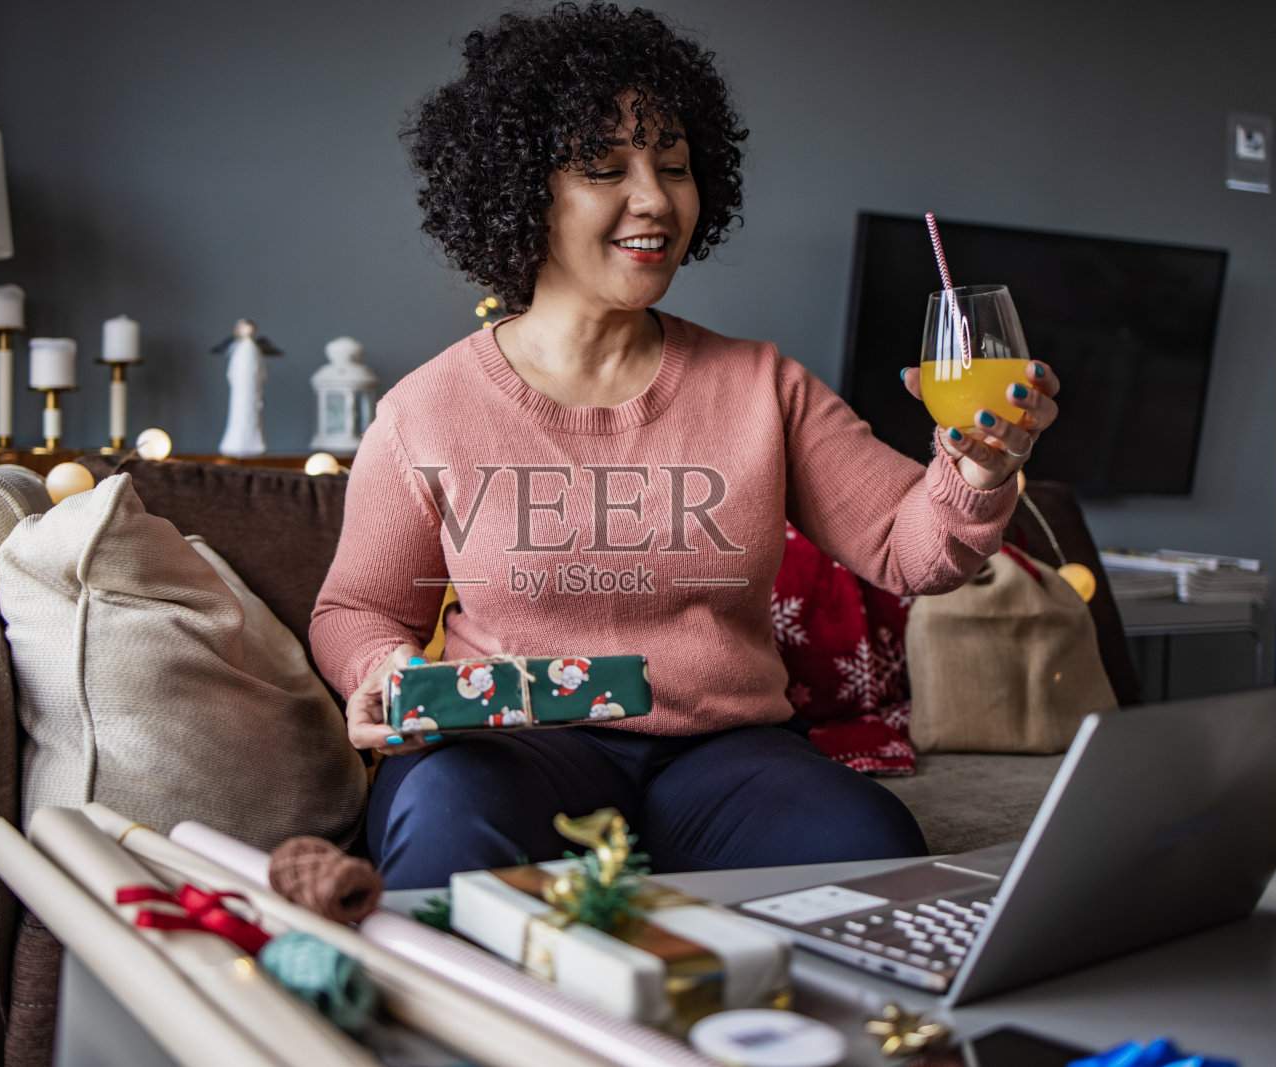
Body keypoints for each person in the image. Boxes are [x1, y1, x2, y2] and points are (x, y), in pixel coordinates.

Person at [309, 2, 1060, 890]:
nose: (657, 199)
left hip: (723, 757)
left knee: (872, 847)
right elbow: (356, 610)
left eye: (674, 166)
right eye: (604, 169)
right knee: (444, 830)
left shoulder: (760, 386)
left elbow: (909, 547)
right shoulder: (424, 411)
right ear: (519, 192)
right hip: (513, 750)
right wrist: (383, 671)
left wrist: (978, 469)